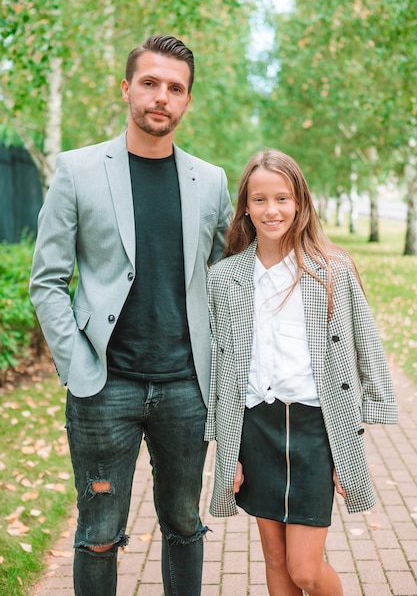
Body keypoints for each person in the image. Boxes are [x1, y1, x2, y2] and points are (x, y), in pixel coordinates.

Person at [29, 34, 233, 596]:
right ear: (126, 89)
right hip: (103, 388)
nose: (161, 97)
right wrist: (77, 367)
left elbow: (229, 281)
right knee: (98, 532)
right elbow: (47, 282)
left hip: (188, 388)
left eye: (175, 88)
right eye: (150, 83)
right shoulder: (76, 171)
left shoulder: (211, 181)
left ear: (187, 100)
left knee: (186, 528)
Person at [205, 148, 398, 596]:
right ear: (246, 208)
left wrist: (365, 418)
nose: (271, 210)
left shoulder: (332, 270)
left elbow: (366, 341)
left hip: (315, 427)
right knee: (275, 559)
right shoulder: (225, 277)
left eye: (282, 198)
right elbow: (220, 367)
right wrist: (225, 448)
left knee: (306, 570)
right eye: (259, 200)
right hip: (256, 427)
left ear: (300, 203)